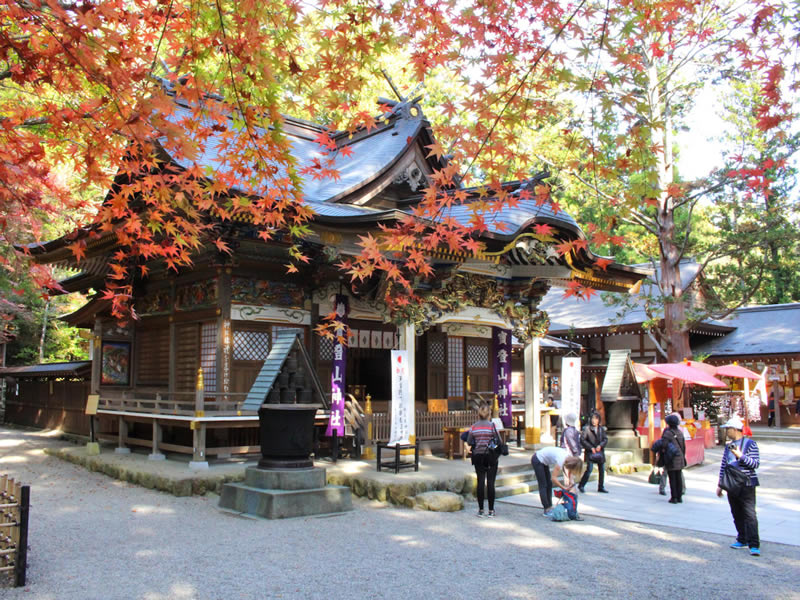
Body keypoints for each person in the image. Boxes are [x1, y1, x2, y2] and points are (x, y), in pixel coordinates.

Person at [717, 415, 761, 556]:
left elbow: (755, 463)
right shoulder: (728, 446)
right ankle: (742, 538)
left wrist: (740, 455)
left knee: (749, 514)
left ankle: (754, 543)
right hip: (731, 483)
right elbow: (724, 465)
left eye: (728, 429)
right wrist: (720, 484)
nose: (726, 431)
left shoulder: (750, 444)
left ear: (735, 429)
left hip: (746, 483)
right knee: (736, 513)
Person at [467, 401, 500, 518]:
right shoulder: (492, 426)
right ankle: (491, 510)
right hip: (490, 456)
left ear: (478, 414)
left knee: (480, 482)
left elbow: (469, 441)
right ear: (489, 414)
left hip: (478, 456)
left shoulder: (474, 427)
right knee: (491, 482)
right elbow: (499, 440)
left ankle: (481, 510)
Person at [530, 446, 583, 518]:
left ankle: (549, 506)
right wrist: (563, 487)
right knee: (543, 485)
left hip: (544, 462)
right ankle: (546, 509)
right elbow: (554, 478)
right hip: (537, 459)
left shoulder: (569, 457)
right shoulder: (561, 459)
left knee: (549, 484)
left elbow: (570, 473)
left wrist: (573, 485)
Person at [578, 410, 608, 493]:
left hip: (599, 451)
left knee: (601, 469)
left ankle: (601, 486)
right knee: (589, 469)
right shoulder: (587, 429)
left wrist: (600, 445)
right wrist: (590, 447)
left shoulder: (601, 429)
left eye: (596, 419)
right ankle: (581, 485)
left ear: (598, 420)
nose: (594, 421)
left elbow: (605, 439)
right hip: (590, 452)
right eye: (593, 419)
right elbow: (582, 440)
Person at [661, 413, 686, 503]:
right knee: (678, 477)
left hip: (671, 458)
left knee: (672, 478)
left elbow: (663, 445)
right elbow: (683, 446)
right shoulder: (680, 433)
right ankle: (679, 497)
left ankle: (674, 497)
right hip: (680, 458)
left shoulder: (668, 433)